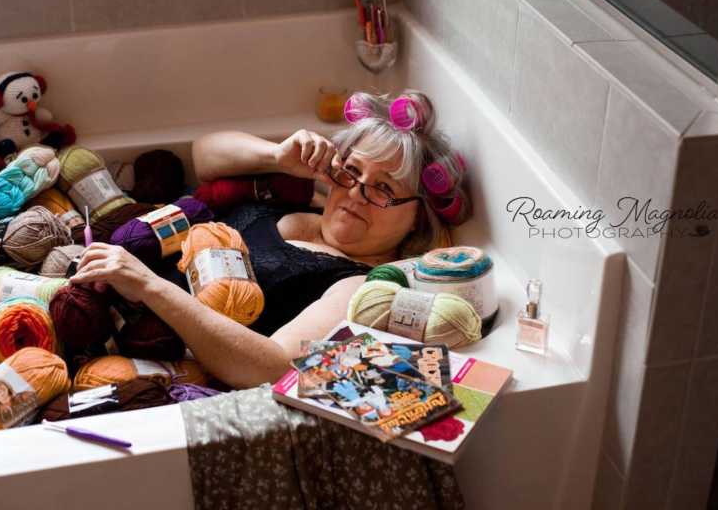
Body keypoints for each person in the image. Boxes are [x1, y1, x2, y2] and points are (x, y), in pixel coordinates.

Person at [70, 91, 469, 389]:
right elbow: (204, 156)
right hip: (97, 295)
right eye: (351, 172)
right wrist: (276, 156)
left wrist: (148, 285)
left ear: (418, 218)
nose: (354, 193)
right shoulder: (306, 198)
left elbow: (272, 367)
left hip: (146, 352)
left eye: (383, 188)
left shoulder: (359, 286)